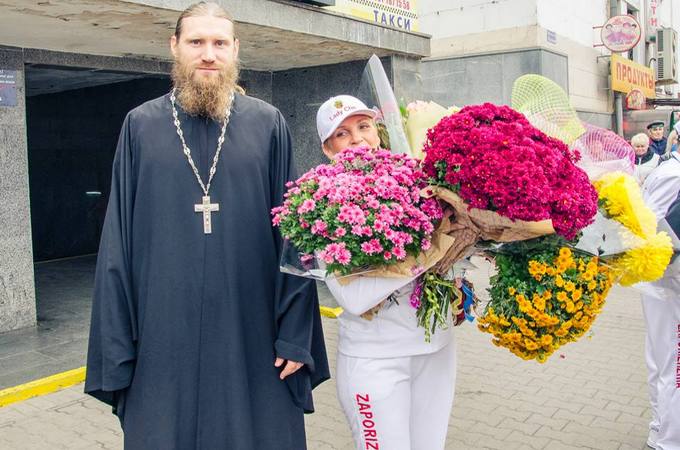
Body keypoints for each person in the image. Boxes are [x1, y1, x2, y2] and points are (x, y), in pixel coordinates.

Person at [84, 3, 329, 449]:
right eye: (196, 42)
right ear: (174, 47)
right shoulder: (140, 126)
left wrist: (296, 336)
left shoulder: (268, 123)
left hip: (253, 329)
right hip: (162, 332)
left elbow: (296, 236)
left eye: (219, 43)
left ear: (236, 50)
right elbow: (117, 241)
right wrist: (118, 345)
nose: (208, 54)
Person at [316, 95, 457, 450]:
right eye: (342, 134)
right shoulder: (321, 206)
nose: (358, 138)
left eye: (363, 127)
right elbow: (354, 297)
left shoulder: (418, 183)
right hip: (374, 361)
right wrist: (434, 247)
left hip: (435, 350)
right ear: (329, 149)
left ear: (377, 132)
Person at [641, 153, 680, 450]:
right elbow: (649, 221)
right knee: (671, 362)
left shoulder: (668, 169)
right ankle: (669, 439)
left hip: (658, 276)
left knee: (661, 357)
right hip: (668, 278)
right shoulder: (673, 174)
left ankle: (660, 429)